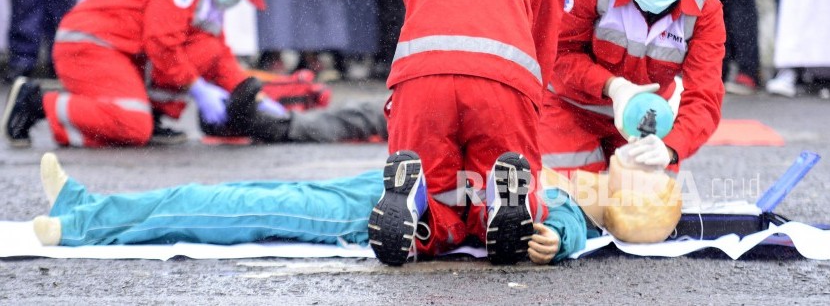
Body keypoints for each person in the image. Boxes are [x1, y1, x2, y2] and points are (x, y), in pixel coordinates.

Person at [369, 0, 566, 267]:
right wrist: (533, 101)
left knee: (435, 184)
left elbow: (415, 3)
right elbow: (544, 33)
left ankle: (424, 214)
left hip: (421, 72)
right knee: (499, 173)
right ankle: (498, 204)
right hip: (502, 77)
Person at [28, 148, 683, 257]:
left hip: (380, 214)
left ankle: (84, 226)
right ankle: (92, 204)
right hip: (400, 187)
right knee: (246, 197)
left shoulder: (574, 208)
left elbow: (559, 233)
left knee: (233, 209)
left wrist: (556, 242)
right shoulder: (577, 175)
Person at [1, 0, 279, 149]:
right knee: (132, 126)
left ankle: (148, 111)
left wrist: (253, 94)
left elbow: (215, 52)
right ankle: (37, 103)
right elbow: (161, 43)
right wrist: (197, 87)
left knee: (204, 49)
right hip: (88, 46)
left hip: (117, 49)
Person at [539, 0, 725, 174]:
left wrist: (671, 147)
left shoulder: (704, 8)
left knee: (646, 207)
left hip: (645, 119)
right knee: (575, 200)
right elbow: (558, 55)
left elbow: (704, 94)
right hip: (571, 108)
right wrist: (614, 87)